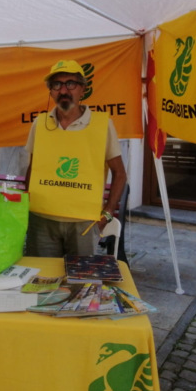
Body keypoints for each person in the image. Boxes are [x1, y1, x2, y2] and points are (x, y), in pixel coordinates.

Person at [24, 59, 127, 257]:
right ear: (51, 91)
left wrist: (107, 214)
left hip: (84, 224)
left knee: (80, 277)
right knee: (42, 274)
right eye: (56, 85)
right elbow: (32, 168)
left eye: (70, 83)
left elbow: (120, 173)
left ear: (83, 89)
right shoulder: (40, 123)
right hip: (42, 222)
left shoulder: (102, 125)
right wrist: (28, 206)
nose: (63, 90)